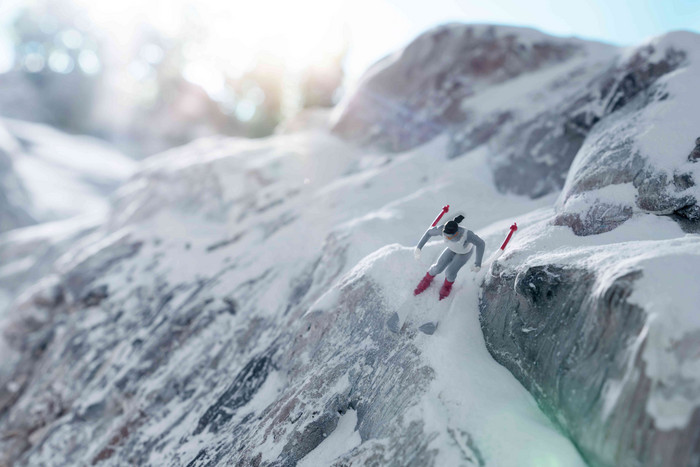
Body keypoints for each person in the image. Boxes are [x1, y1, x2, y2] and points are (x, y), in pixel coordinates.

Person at [413, 214, 485, 300]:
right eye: (445, 235)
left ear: (456, 233)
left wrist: (478, 263)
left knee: (450, 273)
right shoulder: (442, 230)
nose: (446, 237)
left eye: (449, 236)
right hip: (451, 249)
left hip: (464, 253)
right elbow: (429, 233)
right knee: (438, 268)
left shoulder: (467, 234)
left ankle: (447, 286)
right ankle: (426, 279)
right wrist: (419, 248)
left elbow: (480, 243)